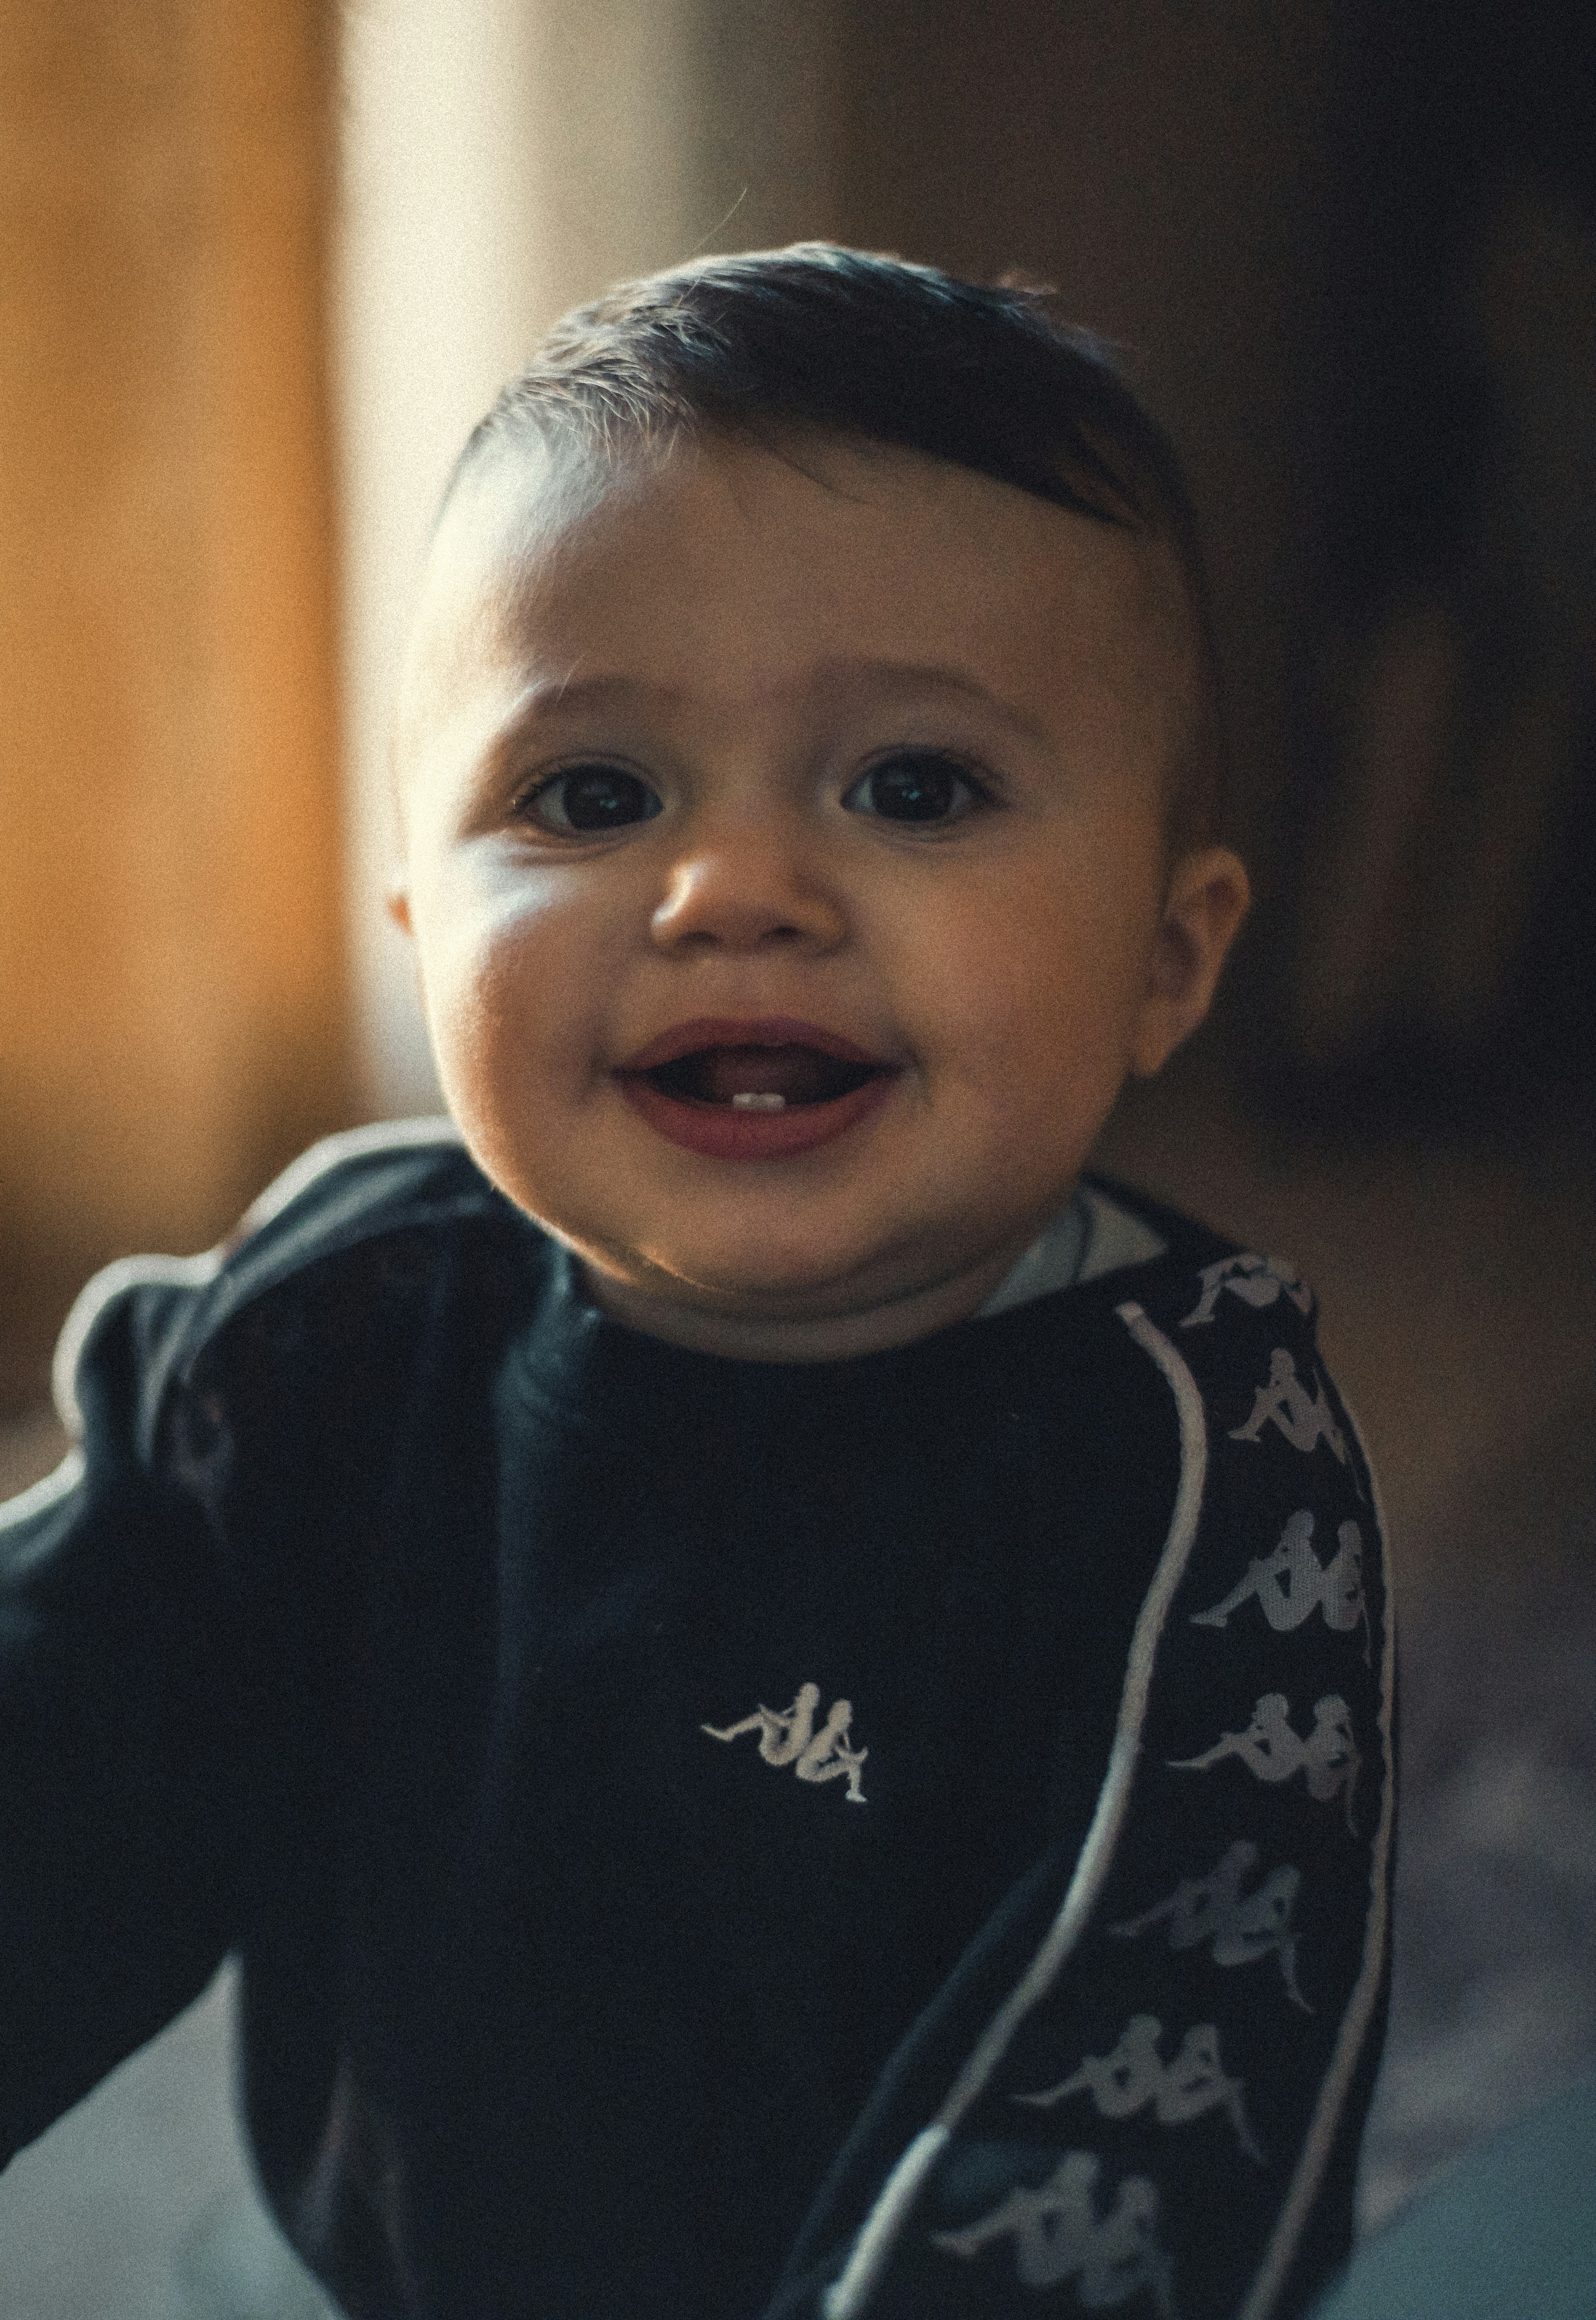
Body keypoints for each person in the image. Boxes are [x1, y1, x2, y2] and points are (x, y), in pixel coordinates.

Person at [0, 246, 1394, 2320]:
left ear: (1167, 958)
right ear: (421, 926)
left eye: (914, 786)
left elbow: (1149, 2105)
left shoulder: (1199, 1481)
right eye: (591, 796)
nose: (734, 890)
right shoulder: (334, 1320)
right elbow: (60, 1757)